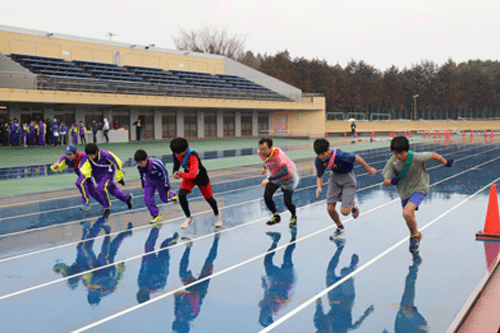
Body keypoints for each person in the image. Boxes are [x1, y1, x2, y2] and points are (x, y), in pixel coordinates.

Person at [382, 136, 454, 252]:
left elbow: (433, 155)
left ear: (407, 150)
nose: (399, 156)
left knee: (406, 213)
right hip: (404, 192)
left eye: (401, 153)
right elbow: (386, 181)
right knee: (409, 217)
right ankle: (415, 235)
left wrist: (445, 163)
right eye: (396, 153)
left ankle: (414, 236)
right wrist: (390, 181)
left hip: (420, 187)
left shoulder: (415, 157)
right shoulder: (392, 162)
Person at [314, 138, 377, 239]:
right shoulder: (319, 160)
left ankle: (352, 203)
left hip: (348, 179)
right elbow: (319, 176)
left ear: (327, 150)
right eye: (318, 155)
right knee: (330, 208)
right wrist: (319, 187)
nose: (320, 157)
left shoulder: (340, 155)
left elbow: (357, 158)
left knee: (345, 212)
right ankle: (340, 228)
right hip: (335, 178)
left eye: (321, 154)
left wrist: (369, 169)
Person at [314, 238, 374, 332]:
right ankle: (352, 266)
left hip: (333, 299)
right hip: (346, 300)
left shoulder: (319, 325)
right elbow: (354, 326)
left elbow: (318, 310)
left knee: (329, 271)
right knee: (344, 272)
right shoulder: (340, 331)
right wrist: (367, 313)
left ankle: (340, 247)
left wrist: (318, 302)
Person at [170, 137, 222, 229]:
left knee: (209, 199)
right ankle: (188, 218)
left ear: (186, 149)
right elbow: (176, 162)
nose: (177, 155)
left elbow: (193, 175)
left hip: (200, 177)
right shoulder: (176, 152)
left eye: (179, 153)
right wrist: (175, 172)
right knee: (181, 194)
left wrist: (181, 174)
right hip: (188, 176)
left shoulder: (193, 157)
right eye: (176, 153)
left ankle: (217, 215)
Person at [172, 233, 219, 332]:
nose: (180, 318)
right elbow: (194, 297)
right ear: (185, 323)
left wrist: (176, 295)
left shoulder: (177, 314)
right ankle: (216, 239)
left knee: (182, 273)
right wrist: (182, 293)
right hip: (201, 289)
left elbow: (177, 300)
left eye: (178, 320)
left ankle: (188, 247)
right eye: (181, 321)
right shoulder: (193, 314)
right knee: (209, 260)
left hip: (190, 288)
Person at [259, 228, 297, 327]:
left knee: (267, 261)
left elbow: (266, 295)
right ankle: (293, 237)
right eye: (264, 315)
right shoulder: (277, 307)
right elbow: (285, 296)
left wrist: (265, 286)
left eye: (261, 315)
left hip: (274, 279)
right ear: (270, 315)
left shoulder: (261, 306)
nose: (262, 313)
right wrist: (276, 295)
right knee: (287, 256)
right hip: (286, 279)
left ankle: (275, 240)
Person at [258, 137, 300, 227]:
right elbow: (266, 160)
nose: (262, 152)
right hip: (275, 177)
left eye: (264, 149)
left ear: (271, 147)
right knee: (267, 196)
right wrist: (264, 168)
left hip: (288, 178)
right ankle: (276, 216)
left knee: (287, 202)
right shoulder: (260, 153)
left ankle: (293, 216)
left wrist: (269, 179)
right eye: (260, 149)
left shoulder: (279, 154)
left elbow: (285, 171)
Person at [85, 143, 133, 219]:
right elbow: (85, 166)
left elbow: (117, 162)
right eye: (89, 155)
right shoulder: (87, 157)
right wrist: (87, 176)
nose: (91, 157)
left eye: (92, 155)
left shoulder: (106, 154)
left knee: (100, 188)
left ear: (97, 152)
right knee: (113, 191)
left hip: (107, 173)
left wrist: (120, 177)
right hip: (97, 175)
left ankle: (107, 209)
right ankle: (127, 198)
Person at [50, 144, 102, 211]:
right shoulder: (65, 158)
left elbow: (86, 168)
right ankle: (104, 203)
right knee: (92, 191)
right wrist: (55, 167)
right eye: (66, 154)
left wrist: (88, 177)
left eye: (70, 154)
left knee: (79, 183)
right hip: (80, 174)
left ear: (75, 154)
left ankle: (86, 203)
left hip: (86, 172)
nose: (68, 156)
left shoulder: (83, 156)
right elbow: (59, 165)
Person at [134, 149, 179, 225]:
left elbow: (165, 173)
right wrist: (142, 182)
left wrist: (167, 185)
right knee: (147, 198)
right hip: (149, 181)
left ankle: (172, 195)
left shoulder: (156, 164)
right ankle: (156, 215)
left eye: (141, 162)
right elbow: (141, 174)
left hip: (160, 181)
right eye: (138, 162)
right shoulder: (139, 166)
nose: (139, 164)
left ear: (145, 159)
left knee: (165, 199)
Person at [136, 228, 179, 304]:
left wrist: (143, 260)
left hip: (150, 264)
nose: (141, 289)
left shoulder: (140, 284)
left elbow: (141, 271)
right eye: (142, 291)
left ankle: (156, 229)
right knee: (164, 245)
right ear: (147, 293)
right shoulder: (159, 286)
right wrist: (165, 260)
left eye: (140, 290)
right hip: (161, 264)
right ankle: (174, 240)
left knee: (148, 246)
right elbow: (165, 272)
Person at [394, 252, 426, 333]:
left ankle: (415, 266)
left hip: (404, 321)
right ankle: (415, 265)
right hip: (410, 322)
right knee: (406, 307)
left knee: (409, 286)